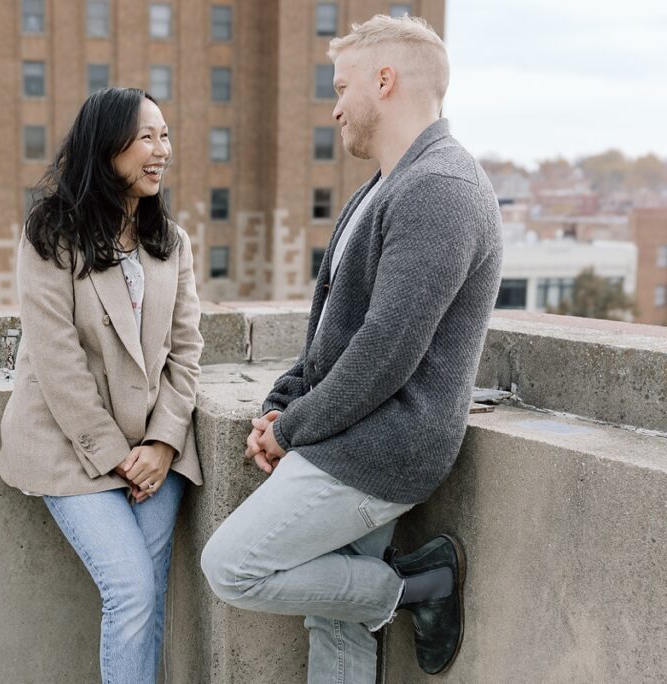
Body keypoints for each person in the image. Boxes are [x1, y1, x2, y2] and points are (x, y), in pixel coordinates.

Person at [200, 14, 503, 682]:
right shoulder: (386, 188)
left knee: (232, 567)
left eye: (341, 87)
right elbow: (333, 338)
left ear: (385, 82)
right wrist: (282, 405)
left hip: (383, 447)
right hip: (352, 435)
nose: (335, 107)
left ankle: (415, 587)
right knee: (333, 621)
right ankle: (390, 589)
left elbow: (385, 352)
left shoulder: (440, 190)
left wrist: (292, 432)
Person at [0, 87, 203, 684]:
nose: (161, 150)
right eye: (146, 137)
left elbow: (187, 350)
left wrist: (162, 444)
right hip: (71, 446)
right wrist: (118, 457)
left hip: (155, 451)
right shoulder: (50, 235)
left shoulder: (172, 243)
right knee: (132, 588)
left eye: (165, 135)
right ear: (106, 146)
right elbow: (56, 359)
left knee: (149, 594)